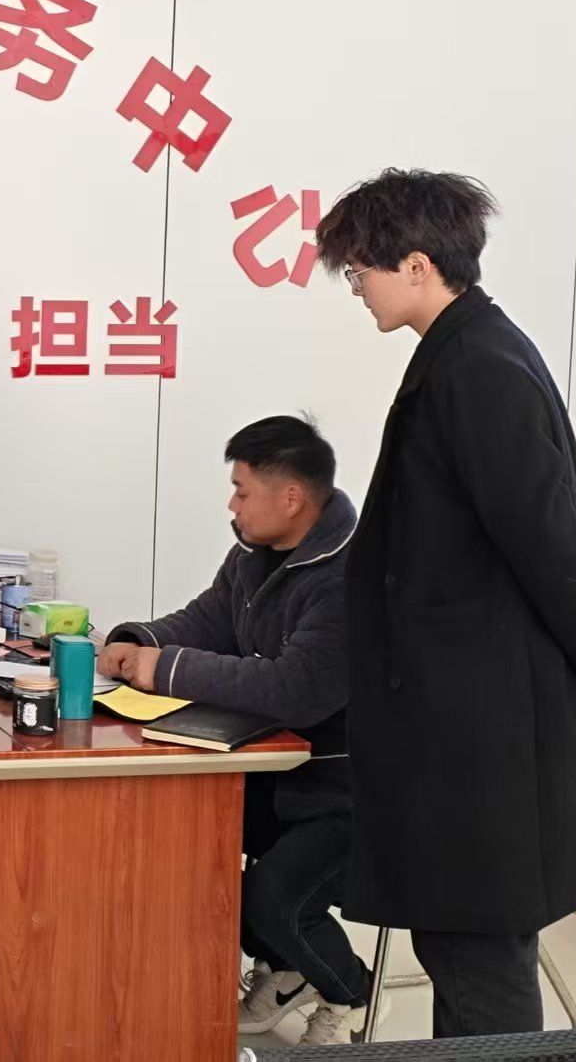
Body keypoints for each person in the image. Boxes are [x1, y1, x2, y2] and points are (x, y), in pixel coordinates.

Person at [314, 168, 576, 1039]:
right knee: (463, 944)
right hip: (468, 720)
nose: (357, 287)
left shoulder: (479, 367)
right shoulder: (466, 351)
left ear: (418, 265)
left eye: (361, 270)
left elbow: (548, 536)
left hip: (485, 730)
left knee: (479, 954)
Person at [99, 415, 370, 1045]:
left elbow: (298, 689)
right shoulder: (254, 552)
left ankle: (348, 995)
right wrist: (139, 641)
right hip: (281, 771)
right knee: (188, 851)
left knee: (272, 900)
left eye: (242, 491)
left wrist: (166, 668)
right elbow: (210, 620)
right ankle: (285, 973)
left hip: (352, 786)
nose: (233, 505)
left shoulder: (346, 576)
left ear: (291, 497)